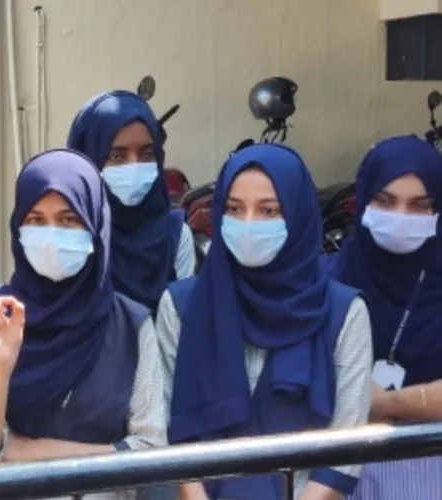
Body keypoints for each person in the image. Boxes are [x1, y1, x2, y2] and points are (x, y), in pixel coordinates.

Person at [0, 149, 166, 499]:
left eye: (69, 220)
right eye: (36, 220)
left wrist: (22, 450)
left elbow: (151, 450)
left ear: (95, 226)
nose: (52, 235)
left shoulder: (131, 325)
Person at [158, 144, 372, 500]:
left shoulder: (343, 312)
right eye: (234, 209)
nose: (248, 224)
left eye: (269, 210)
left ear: (298, 215)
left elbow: (346, 449)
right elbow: (170, 430)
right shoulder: (181, 306)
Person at [328, 136, 442, 500]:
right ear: (362, 199)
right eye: (385, 201)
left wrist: (381, 403)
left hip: (428, 465)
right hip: (331, 468)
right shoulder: (327, 279)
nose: (400, 217)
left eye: (419, 206)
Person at [67, 91, 195, 314]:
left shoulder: (175, 235)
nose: (134, 166)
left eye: (146, 155)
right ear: (88, 159)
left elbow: (183, 319)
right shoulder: (71, 235)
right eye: (117, 156)